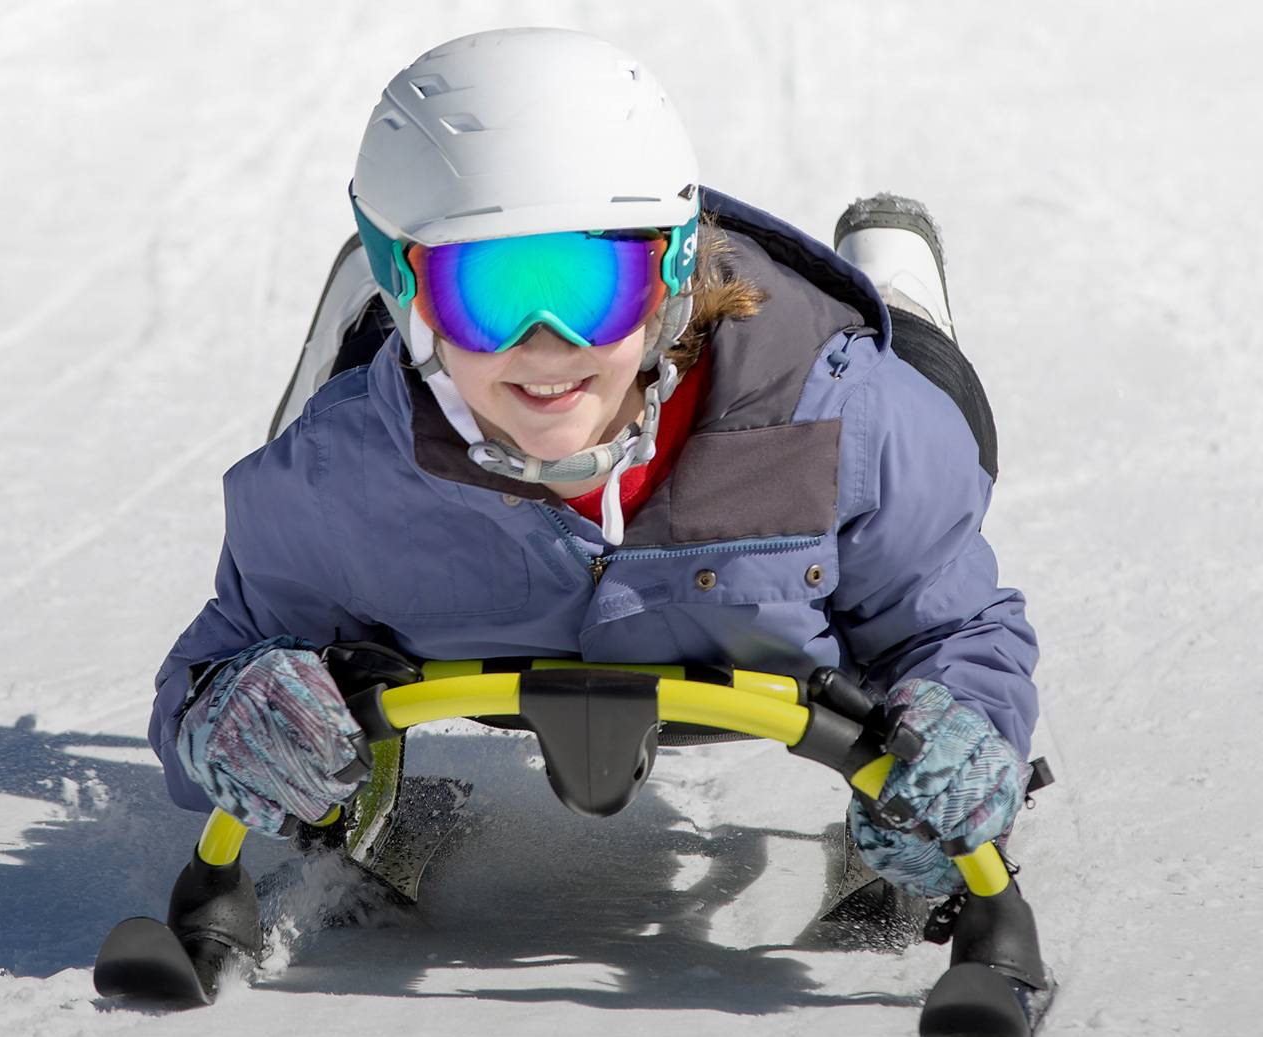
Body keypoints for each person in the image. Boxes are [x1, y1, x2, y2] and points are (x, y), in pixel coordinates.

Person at [148, 27, 1039, 902]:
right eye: (487, 293)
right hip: (471, 582)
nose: (549, 347)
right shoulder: (337, 478)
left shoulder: (848, 420)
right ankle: (371, 315)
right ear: (409, 286)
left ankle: (894, 281)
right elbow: (216, 660)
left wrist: (960, 732)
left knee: (945, 418)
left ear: (671, 275)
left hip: (803, 525)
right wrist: (232, 714)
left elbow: (951, 629)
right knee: (334, 407)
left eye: (590, 290)